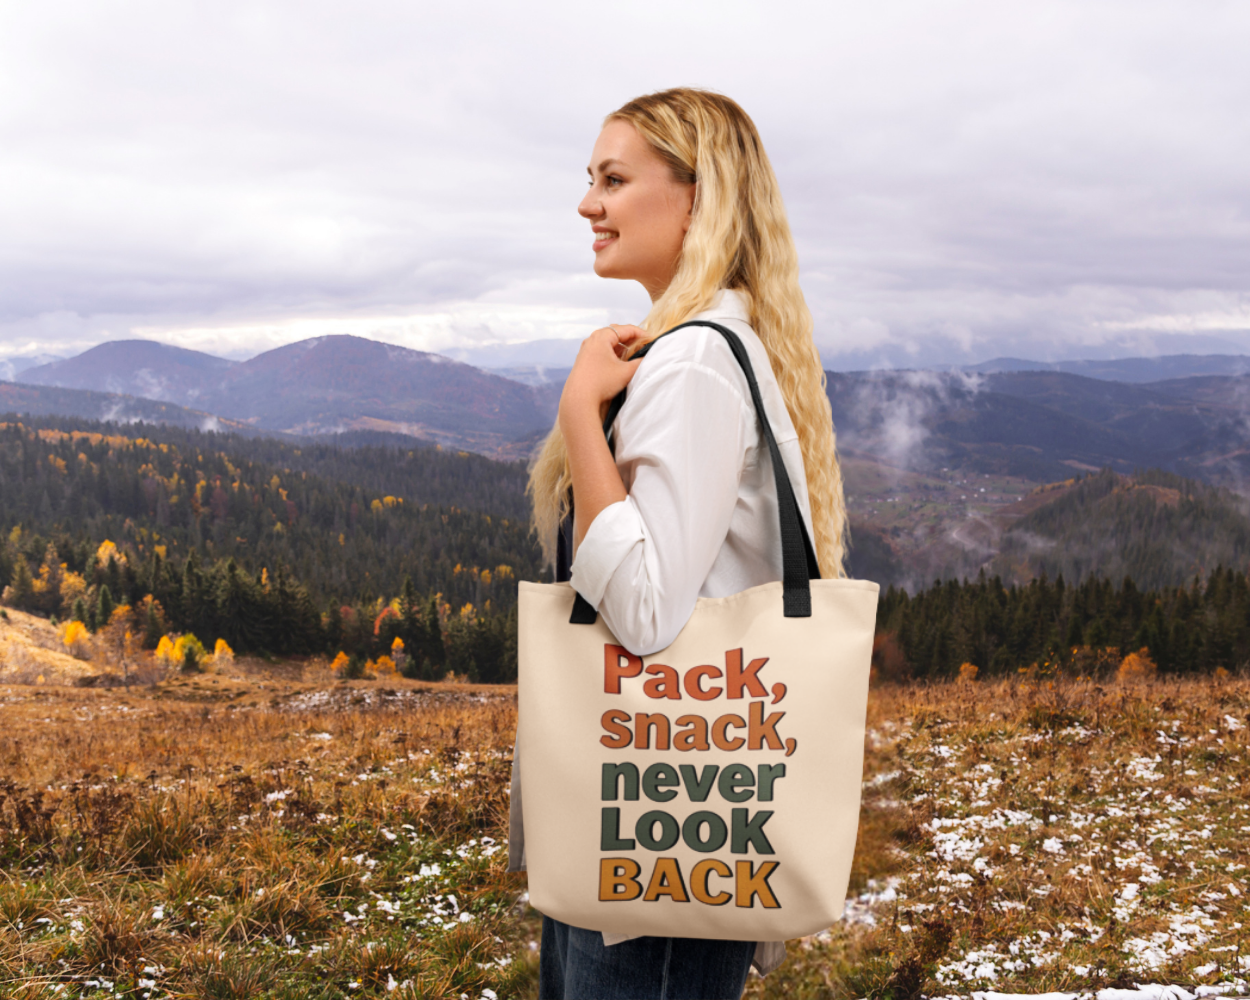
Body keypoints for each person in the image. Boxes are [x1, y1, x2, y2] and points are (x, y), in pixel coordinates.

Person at [517, 88, 848, 1000]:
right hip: (667, 828)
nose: (588, 203)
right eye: (589, 180)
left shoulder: (694, 359)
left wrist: (581, 413)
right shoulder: (716, 341)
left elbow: (647, 614)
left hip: (653, 866)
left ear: (698, 197)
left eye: (614, 180)